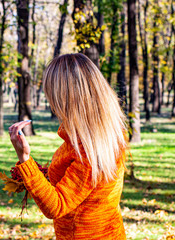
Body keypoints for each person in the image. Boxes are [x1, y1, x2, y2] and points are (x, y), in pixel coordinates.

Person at [8, 53, 128, 240]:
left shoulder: (89, 151)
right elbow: (80, 185)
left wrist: (25, 159)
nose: (51, 103)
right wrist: (40, 174)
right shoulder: (108, 135)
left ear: (67, 97)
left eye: (52, 95)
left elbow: (57, 205)